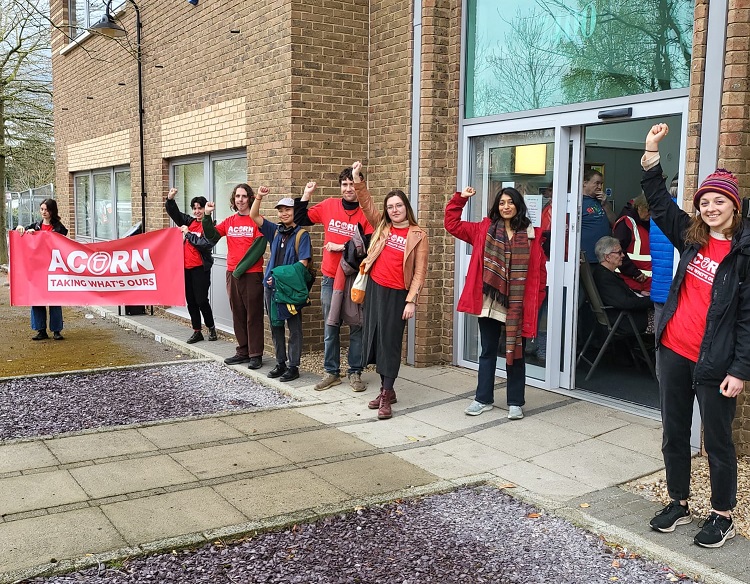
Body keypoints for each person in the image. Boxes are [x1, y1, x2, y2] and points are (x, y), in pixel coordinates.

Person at [642, 123, 748, 548]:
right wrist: (652, 152)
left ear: (734, 206)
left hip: (716, 363)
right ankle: (678, 501)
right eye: (704, 201)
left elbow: (747, 319)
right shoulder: (691, 237)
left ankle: (723, 514)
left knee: (718, 441)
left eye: (719, 201)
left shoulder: (742, 254)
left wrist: (740, 368)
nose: (710, 207)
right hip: (674, 350)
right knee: (674, 431)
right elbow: (658, 201)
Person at [445, 185, 546, 420]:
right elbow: (452, 224)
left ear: (518, 205)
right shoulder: (484, 229)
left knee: (516, 353)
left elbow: (540, 274)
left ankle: (515, 402)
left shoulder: (533, 234)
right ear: (496, 207)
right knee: (488, 351)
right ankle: (482, 399)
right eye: (502, 203)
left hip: (517, 303)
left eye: (510, 202)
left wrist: (535, 303)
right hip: (490, 301)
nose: (506, 206)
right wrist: (460, 199)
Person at [352, 161, 428, 420]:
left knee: (391, 343)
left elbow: (419, 272)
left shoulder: (418, 234)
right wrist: (357, 179)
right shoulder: (382, 226)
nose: (394, 210)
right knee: (375, 339)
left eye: (399, 205)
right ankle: (388, 389)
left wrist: (411, 301)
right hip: (376, 289)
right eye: (390, 206)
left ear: (406, 207)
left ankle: (386, 394)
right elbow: (366, 204)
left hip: (398, 295)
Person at [295, 170, 374, 392]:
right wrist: (306, 194)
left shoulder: (367, 213)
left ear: (360, 185)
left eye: (353, 183)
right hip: (331, 277)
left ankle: (355, 372)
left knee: (357, 326)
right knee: (331, 326)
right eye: (345, 184)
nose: (349, 188)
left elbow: (368, 246)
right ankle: (332, 372)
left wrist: (341, 247)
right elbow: (301, 218)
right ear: (340, 187)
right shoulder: (329, 206)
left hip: (356, 279)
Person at [250, 188, 312, 382]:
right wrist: (259, 196)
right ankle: (281, 363)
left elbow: (303, 264)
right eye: (281, 210)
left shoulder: (302, 235)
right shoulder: (275, 231)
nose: (284, 213)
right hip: (271, 288)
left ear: (295, 212)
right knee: (275, 325)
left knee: (294, 328)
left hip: (289, 290)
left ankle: (293, 366)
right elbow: (253, 215)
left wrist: (278, 276)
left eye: (288, 210)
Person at [202, 184, 266, 369]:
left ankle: (256, 354)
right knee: (238, 314)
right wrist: (207, 216)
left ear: (250, 199)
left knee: (253, 315)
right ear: (233, 199)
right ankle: (243, 351)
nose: (240, 200)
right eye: (237, 196)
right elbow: (212, 236)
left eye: (244, 196)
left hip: (251, 275)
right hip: (232, 274)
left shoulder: (258, 221)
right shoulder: (229, 221)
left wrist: (239, 270)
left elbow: (258, 248)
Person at [165, 188, 217, 344]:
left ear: (205, 208)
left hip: (200, 269)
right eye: (194, 208)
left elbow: (204, 244)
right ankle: (197, 331)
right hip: (186, 268)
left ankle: (211, 328)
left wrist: (188, 234)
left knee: (201, 300)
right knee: (191, 301)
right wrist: (170, 199)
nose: (197, 211)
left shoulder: (210, 226)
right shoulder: (189, 222)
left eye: (200, 208)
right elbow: (176, 214)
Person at [15, 199, 68, 341]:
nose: (43, 212)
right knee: (37, 299)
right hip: (37, 270)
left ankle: (57, 330)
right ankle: (41, 330)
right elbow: (20, 234)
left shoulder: (59, 228)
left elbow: (61, 245)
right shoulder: (35, 226)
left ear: (52, 211)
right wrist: (22, 229)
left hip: (53, 269)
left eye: (46, 209)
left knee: (55, 300)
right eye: (41, 209)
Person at [592, 236, 652, 333]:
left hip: (624, 317)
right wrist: (652, 300)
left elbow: (620, 293)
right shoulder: (604, 277)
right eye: (619, 253)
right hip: (626, 320)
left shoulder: (604, 273)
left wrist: (640, 292)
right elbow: (625, 302)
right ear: (607, 257)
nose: (623, 255)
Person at [650, 177, 678, 380]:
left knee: (662, 343)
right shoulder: (682, 215)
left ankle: (663, 388)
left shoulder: (657, 214)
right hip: (678, 290)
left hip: (659, 288)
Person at [612, 194, 652, 294]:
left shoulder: (642, 221)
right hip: (632, 281)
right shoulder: (626, 222)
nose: (650, 214)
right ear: (640, 207)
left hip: (642, 283)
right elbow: (618, 251)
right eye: (648, 210)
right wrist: (635, 273)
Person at [580, 169, 616, 263]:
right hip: (587, 257)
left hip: (604, 256)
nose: (600, 187)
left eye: (601, 184)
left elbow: (613, 222)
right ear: (585, 183)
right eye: (597, 183)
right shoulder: (578, 202)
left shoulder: (601, 201)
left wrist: (605, 204)